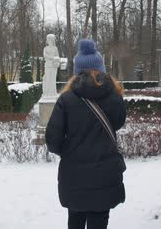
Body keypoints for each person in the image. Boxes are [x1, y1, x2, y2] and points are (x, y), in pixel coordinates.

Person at [46, 39, 126, 229]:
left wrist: (70, 150)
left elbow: (52, 140)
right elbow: (119, 123)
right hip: (105, 175)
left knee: (75, 219)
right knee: (99, 220)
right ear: (101, 68)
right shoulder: (114, 96)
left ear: (76, 72)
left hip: (74, 177)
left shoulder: (66, 99)